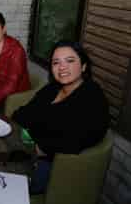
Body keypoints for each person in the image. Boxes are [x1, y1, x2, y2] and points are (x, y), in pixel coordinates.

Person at [12, 40, 110, 194]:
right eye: (56, 62)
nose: (62, 67)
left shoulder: (92, 96)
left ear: (83, 66)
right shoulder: (53, 88)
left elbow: (83, 137)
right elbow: (23, 113)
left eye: (70, 61)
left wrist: (42, 146)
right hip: (28, 151)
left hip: (54, 168)